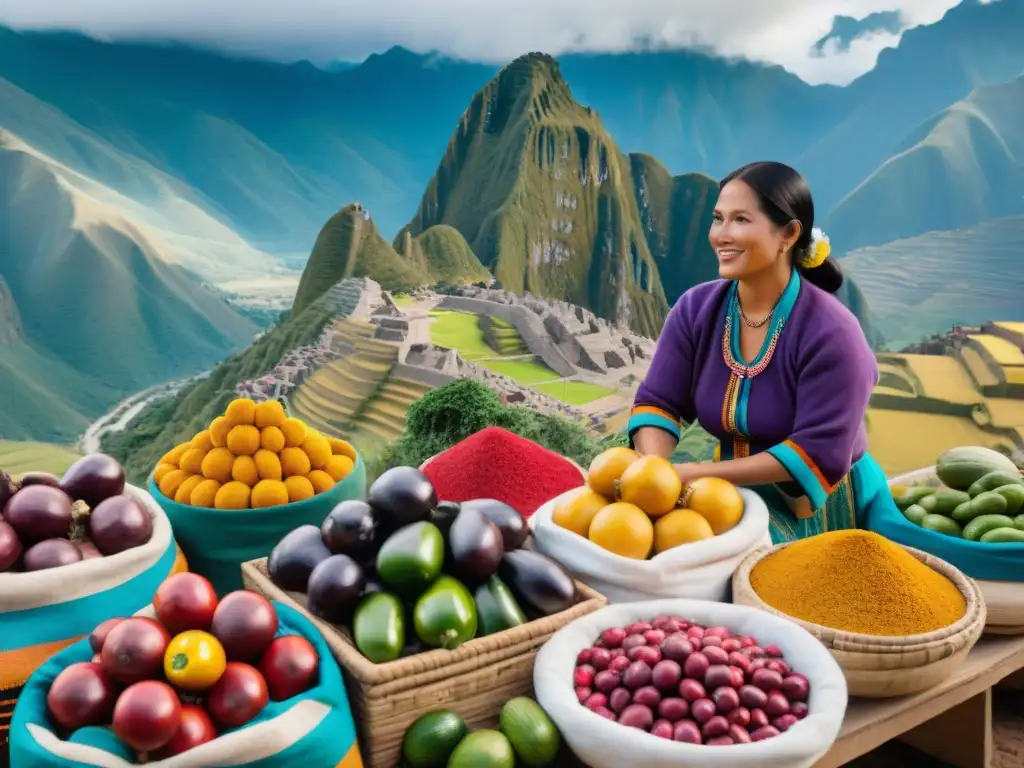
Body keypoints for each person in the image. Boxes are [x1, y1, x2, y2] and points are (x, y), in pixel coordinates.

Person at [627, 161, 891, 543]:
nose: (722, 235)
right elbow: (658, 403)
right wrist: (653, 470)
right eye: (718, 219)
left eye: (741, 220)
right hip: (726, 488)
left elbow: (815, 453)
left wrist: (686, 475)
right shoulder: (695, 309)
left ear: (788, 234)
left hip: (815, 502)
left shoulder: (834, 333)